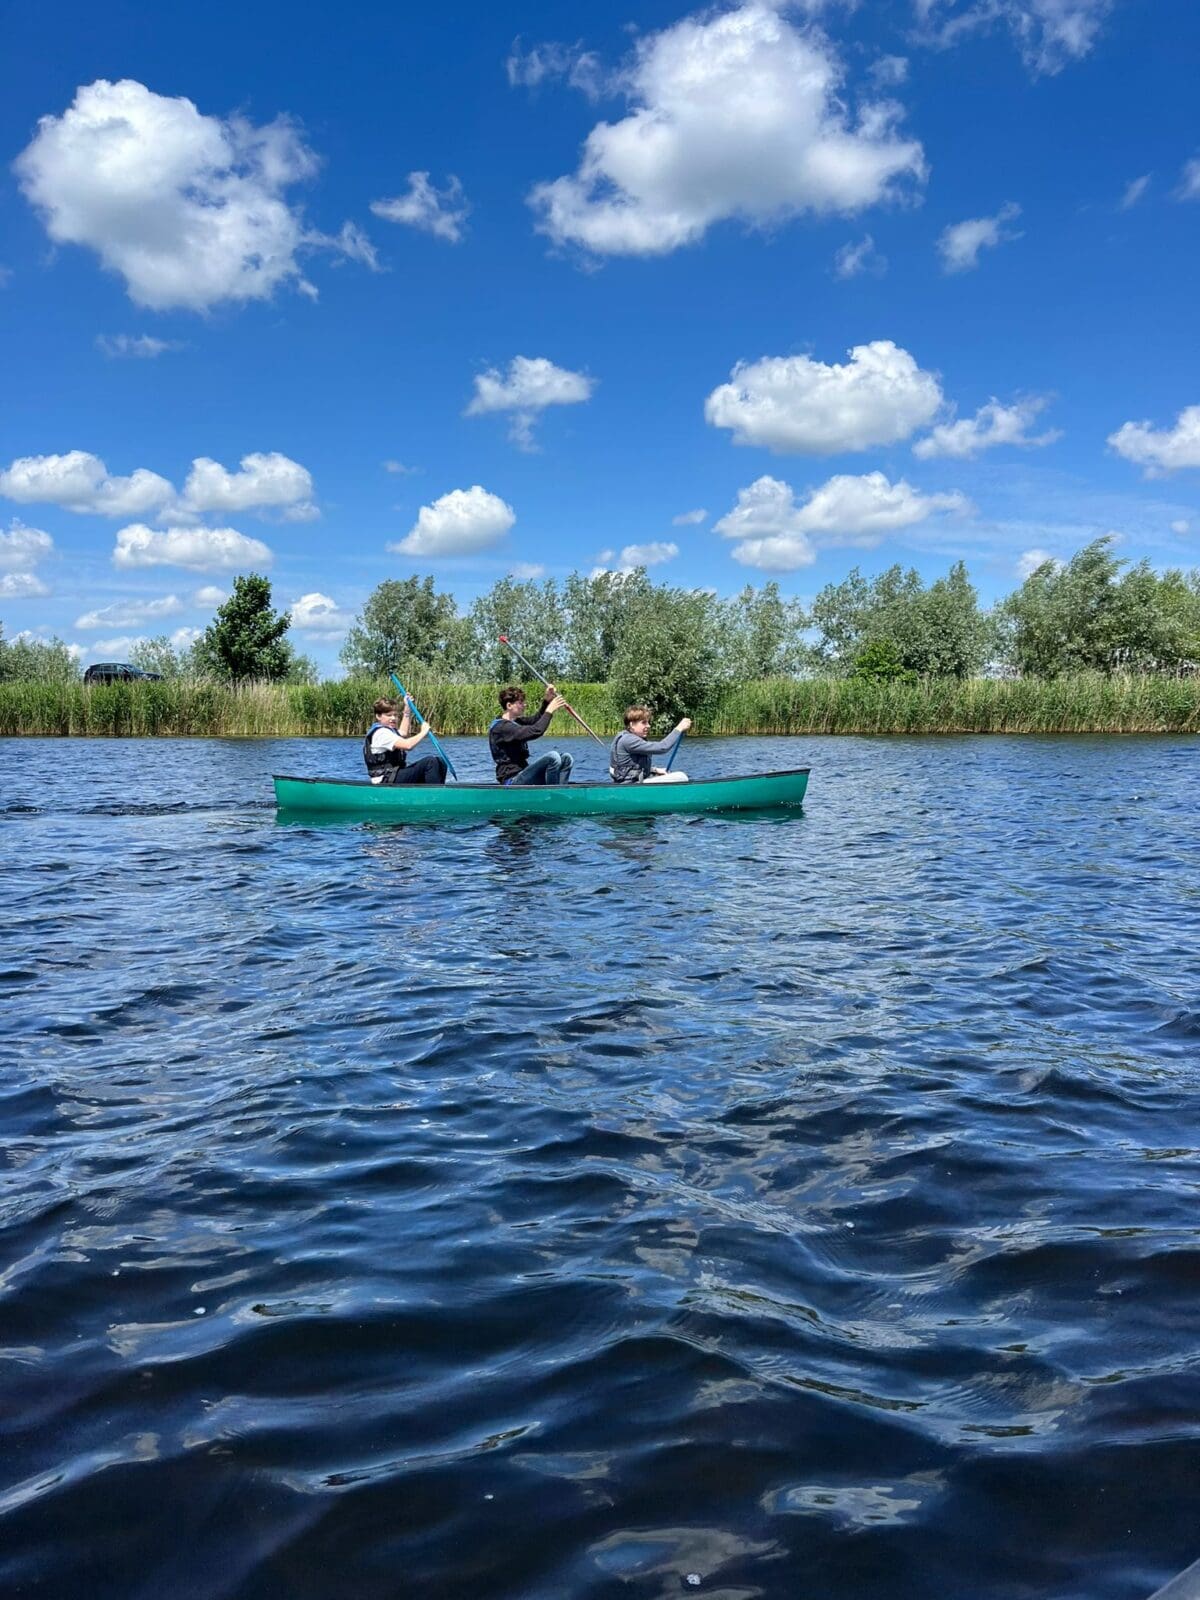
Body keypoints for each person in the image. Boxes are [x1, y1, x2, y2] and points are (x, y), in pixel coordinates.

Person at [489, 684, 574, 785]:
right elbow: (536, 731)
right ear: (509, 706)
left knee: (566, 758)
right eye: (520, 703)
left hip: (523, 774)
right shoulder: (502, 728)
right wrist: (550, 710)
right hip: (512, 780)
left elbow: (536, 720)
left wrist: (547, 701)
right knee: (553, 757)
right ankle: (552, 795)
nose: (524, 705)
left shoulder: (516, 722)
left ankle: (560, 792)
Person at [363, 697, 447, 785]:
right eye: (389, 715)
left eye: (395, 715)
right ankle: (435, 795)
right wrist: (423, 732)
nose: (393, 718)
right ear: (378, 716)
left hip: (393, 775)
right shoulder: (381, 733)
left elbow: (403, 732)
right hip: (385, 779)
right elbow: (408, 746)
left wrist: (407, 709)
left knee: (440, 762)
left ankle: (436, 790)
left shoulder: (389, 731)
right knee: (430, 762)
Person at [610, 706, 692, 784]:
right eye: (644, 723)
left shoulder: (630, 738)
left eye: (648, 722)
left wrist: (654, 770)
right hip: (630, 785)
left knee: (669, 775)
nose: (648, 726)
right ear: (632, 725)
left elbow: (633, 765)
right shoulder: (628, 740)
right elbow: (663, 747)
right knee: (681, 776)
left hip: (633, 782)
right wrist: (679, 728)